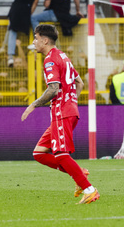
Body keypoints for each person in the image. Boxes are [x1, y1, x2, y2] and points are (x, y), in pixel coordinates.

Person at [21, 24, 100, 204]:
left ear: (45, 40)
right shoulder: (63, 56)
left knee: (60, 154)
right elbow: (79, 83)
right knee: (39, 153)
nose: (34, 42)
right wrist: (71, 101)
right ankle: (79, 173)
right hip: (67, 110)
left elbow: (54, 89)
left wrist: (33, 104)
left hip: (62, 112)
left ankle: (89, 189)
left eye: (36, 38)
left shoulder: (50, 60)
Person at [6, 0, 49, 67]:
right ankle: (37, 43)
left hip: (15, 6)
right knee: (30, 22)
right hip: (25, 8)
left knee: (12, 29)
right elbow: (36, 1)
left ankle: (10, 56)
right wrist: (29, 14)